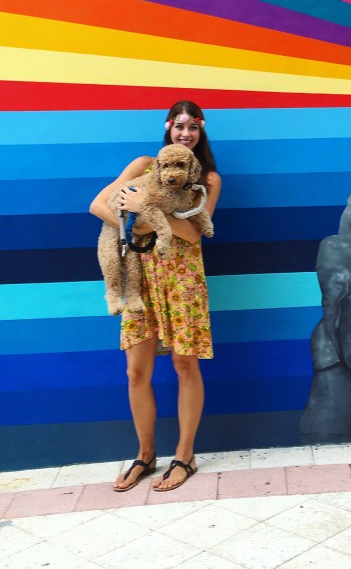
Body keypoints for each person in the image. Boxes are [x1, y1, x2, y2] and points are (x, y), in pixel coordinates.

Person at [90, 101, 222, 490]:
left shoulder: (207, 180)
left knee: (185, 366)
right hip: (140, 278)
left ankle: (185, 456)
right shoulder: (143, 165)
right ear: (168, 128)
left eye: (193, 128)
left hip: (182, 278)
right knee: (136, 371)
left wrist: (150, 218)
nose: (186, 133)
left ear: (200, 131)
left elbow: (194, 233)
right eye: (179, 126)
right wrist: (135, 222)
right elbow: (97, 205)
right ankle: (145, 456)